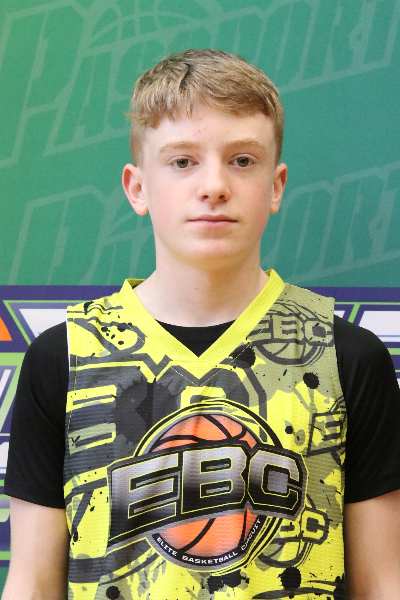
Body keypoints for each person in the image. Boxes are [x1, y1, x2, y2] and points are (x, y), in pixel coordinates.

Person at [3, 49, 400, 600]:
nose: (214, 185)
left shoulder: (346, 357)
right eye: (182, 161)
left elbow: (382, 582)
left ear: (276, 186)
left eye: (243, 160)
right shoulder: (64, 358)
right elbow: (32, 582)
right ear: (137, 187)